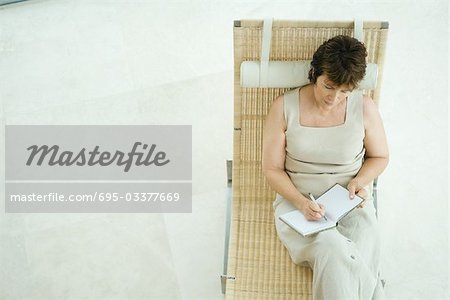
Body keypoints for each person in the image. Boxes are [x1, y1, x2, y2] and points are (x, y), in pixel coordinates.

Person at [262, 35, 389, 299]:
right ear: (315, 74)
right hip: (298, 202)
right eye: (329, 86)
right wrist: (299, 202)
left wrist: (359, 182)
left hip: (350, 199)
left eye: (345, 91)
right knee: (332, 247)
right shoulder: (284, 107)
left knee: (365, 237)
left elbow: (380, 157)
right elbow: (272, 168)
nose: (335, 98)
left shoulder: (364, 108)